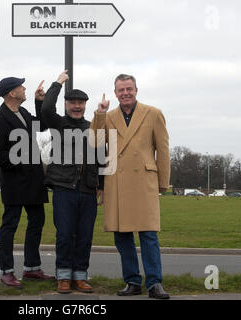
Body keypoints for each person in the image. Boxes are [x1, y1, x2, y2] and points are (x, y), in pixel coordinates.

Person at [90, 74, 171, 299]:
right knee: (122, 236)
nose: (125, 93)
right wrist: (99, 114)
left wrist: (163, 182)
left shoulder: (153, 113)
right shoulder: (108, 116)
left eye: (129, 89)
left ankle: (154, 283)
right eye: (121, 90)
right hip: (116, 180)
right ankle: (132, 281)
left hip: (144, 180)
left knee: (148, 235)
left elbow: (162, 149)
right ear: (115, 93)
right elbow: (94, 142)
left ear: (136, 90)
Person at [0, 77, 54, 288]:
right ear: (11, 93)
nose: (25, 88)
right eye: (21, 86)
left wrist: (39, 102)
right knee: (10, 226)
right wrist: (19, 162)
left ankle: (32, 268)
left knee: (37, 222)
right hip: (15, 182)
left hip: (34, 181)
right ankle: (6, 272)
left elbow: (41, 125)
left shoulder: (22, 113)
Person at [40, 71, 104, 294]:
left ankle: (80, 276)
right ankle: (64, 277)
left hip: (88, 189)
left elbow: (100, 159)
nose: (77, 106)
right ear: (66, 104)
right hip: (64, 189)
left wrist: (101, 187)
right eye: (73, 103)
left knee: (85, 236)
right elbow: (46, 108)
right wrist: (57, 84)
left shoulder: (92, 127)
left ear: (85, 105)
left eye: (80, 103)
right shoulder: (57, 123)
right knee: (65, 234)